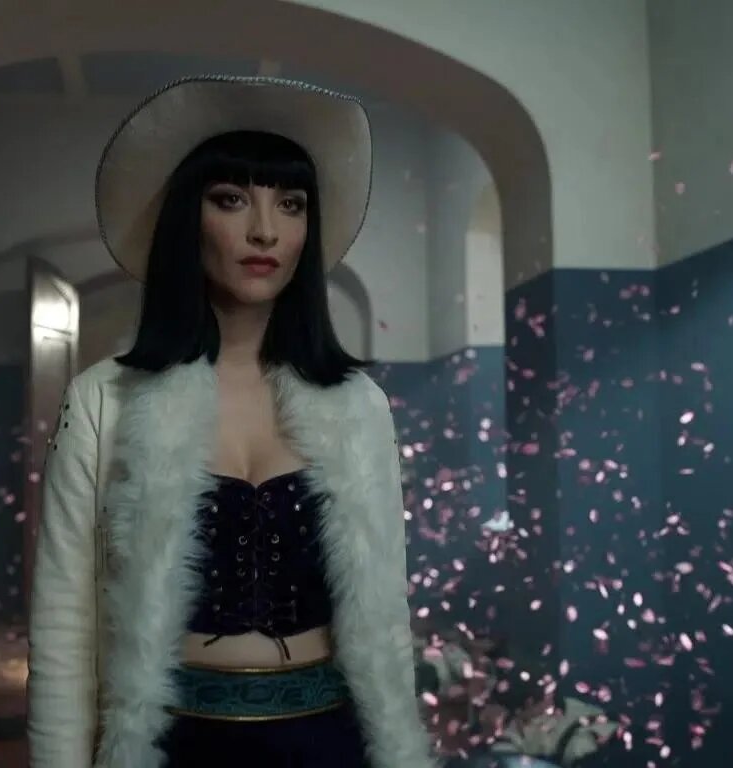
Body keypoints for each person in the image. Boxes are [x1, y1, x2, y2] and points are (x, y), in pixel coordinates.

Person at [26, 75, 436, 768]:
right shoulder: (103, 399)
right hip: (173, 744)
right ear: (188, 217)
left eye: (291, 204)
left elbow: (385, 612)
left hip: (327, 739)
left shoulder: (358, 404)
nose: (264, 229)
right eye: (231, 199)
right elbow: (65, 624)